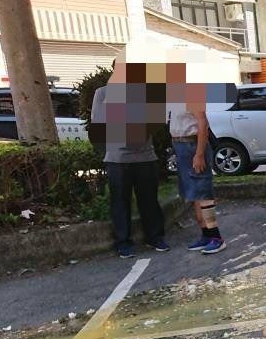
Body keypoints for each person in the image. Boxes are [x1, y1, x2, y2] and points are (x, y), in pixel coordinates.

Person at [90, 60, 169, 258]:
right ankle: (123, 241)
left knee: (149, 200)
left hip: (146, 156)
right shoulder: (103, 93)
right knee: (120, 201)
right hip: (117, 158)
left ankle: (155, 237)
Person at [168, 73, 225, 254]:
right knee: (193, 192)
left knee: (202, 190)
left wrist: (199, 154)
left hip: (193, 145)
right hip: (180, 145)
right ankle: (205, 234)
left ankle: (216, 237)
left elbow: (202, 123)